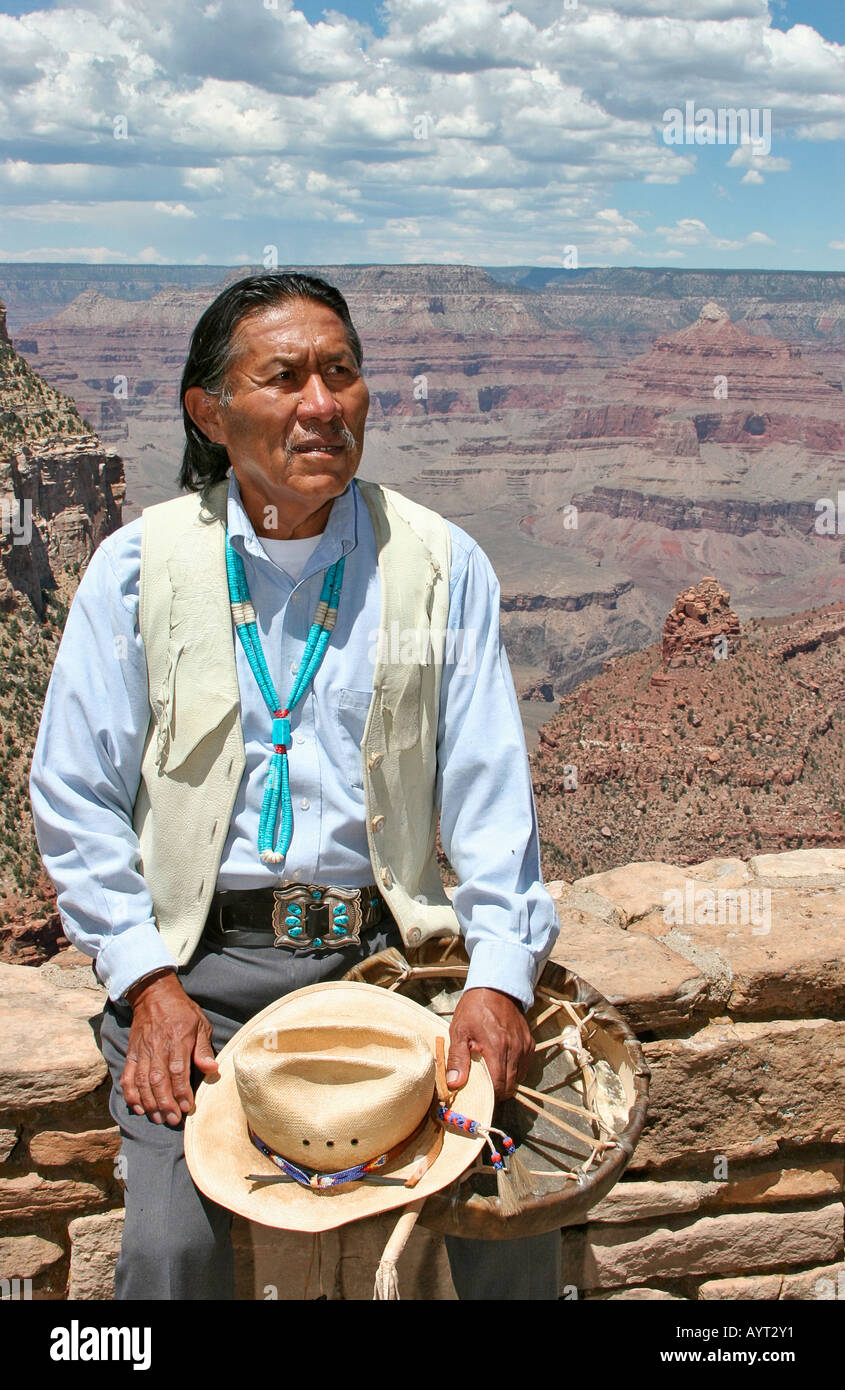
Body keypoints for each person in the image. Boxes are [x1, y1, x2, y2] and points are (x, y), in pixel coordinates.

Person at [29, 272, 562, 1300]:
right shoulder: (137, 570)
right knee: (171, 1253)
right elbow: (74, 795)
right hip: (202, 977)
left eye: (341, 373)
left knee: (510, 1216)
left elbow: (492, 798)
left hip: (389, 964)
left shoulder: (438, 568)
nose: (322, 403)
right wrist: (146, 983)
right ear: (209, 411)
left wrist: (496, 977)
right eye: (283, 378)